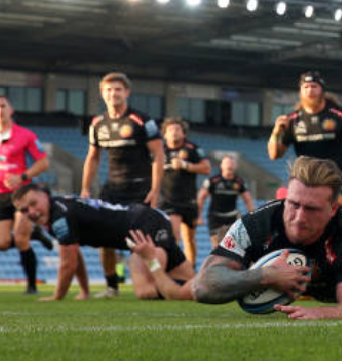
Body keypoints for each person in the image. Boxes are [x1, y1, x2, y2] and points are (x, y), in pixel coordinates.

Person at [192, 156, 342, 319]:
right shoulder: (253, 225)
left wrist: (320, 314)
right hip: (289, 274)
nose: (299, 218)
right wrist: (267, 275)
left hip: (330, 279)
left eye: (311, 209)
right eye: (293, 204)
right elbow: (202, 287)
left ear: (332, 209)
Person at [13, 182, 193, 301]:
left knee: (145, 290)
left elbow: (68, 263)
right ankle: (201, 286)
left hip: (142, 226)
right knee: (192, 280)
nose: (32, 212)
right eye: (25, 210)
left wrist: (57, 296)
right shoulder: (58, 211)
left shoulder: (60, 217)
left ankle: (186, 291)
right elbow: (75, 257)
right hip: (147, 219)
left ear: (44, 196)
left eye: (33, 203)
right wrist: (85, 291)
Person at [81, 71, 164, 298]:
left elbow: (158, 155)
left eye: (117, 89)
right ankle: (111, 286)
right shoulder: (97, 124)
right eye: (108, 89)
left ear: (126, 92)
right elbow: (93, 157)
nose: (113, 93)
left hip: (140, 189)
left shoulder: (142, 120)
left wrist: (155, 189)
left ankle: (155, 283)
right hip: (112, 189)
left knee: (144, 239)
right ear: (102, 94)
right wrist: (86, 188)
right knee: (103, 237)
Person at [268, 71, 342, 212]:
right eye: (305, 87)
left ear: (322, 90)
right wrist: (276, 133)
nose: (310, 90)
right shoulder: (292, 120)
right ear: (300, 92)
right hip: (306, 182)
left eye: (314, 86)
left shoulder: (341, 115)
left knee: (335, 221)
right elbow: (274, 155)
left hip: (337, 181)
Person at [0, 92, 50, 294]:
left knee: (20, 240)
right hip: (0, 195)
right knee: (0, 244)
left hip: (22, 193)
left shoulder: (26, 135)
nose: (0, 110)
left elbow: (44, 162)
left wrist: (23, 176)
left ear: (11, 110)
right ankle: (35, 233)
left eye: (3, 105)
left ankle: (32, 285)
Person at [159, 118, 211, 267]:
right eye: (170, 130)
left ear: (183, 134)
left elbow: (206, 168)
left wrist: (185, 165)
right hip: (168, 201)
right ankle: (173, 270)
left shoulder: (193, 148)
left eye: (177, 129)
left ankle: (191, 270)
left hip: (189, 201)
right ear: (164, 135)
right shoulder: (159, 151)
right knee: (174, 236)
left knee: (189, 240)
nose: (174, 132)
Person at [197, 155, 254, 250]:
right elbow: (201, 197)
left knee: (232, 247)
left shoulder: (239, 182)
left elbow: (247, 199)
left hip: (232, 217)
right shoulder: (213, 181)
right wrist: (199, 216)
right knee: (217, 247)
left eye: (232, 163)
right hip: (215, 217)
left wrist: (252, 216)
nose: (230, 166)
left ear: (235, 166)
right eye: (227, 163)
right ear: (221, 166)